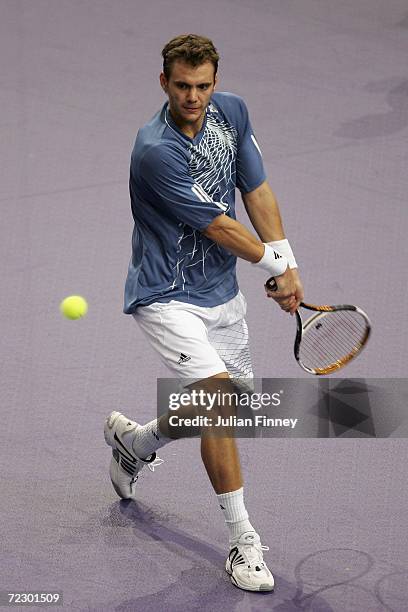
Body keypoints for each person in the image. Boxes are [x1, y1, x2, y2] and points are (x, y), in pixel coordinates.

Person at [104, 33, 304, 593]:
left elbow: (256, 190)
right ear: (164, 82)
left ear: (216, 83)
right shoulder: (155, 150)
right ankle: (243, 544)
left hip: (220, 292)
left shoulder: (232, 112)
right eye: (183, 85)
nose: (194, 96)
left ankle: (138, 443)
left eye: (204, 86)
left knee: (223, 405)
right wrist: (274, 267)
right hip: (166, 293)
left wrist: (285, 261)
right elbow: (217, 224)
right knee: (217, 399)